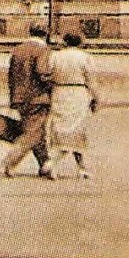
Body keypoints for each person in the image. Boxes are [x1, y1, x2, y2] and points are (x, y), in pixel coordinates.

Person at [44, 30, 101, 180]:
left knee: (59, 130)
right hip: (78, 94)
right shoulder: (85, 58)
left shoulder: (55, 56)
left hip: (59, 92)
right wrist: (96, 98)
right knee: (77, 130)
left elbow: (48, 74)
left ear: (65, 41)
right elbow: (91, 80)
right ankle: (54, 162)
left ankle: (78, 167)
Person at [0, 23, 54, 177]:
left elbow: (11, 75)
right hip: (37, 98)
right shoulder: (43, 50)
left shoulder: (18, 49)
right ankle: (11, 161)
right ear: (45, 34)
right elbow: (43, 73)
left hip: (19, 96)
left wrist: (13, 97)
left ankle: (45, 163)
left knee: (38, 131)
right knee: (33, 133)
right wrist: (53, 84)